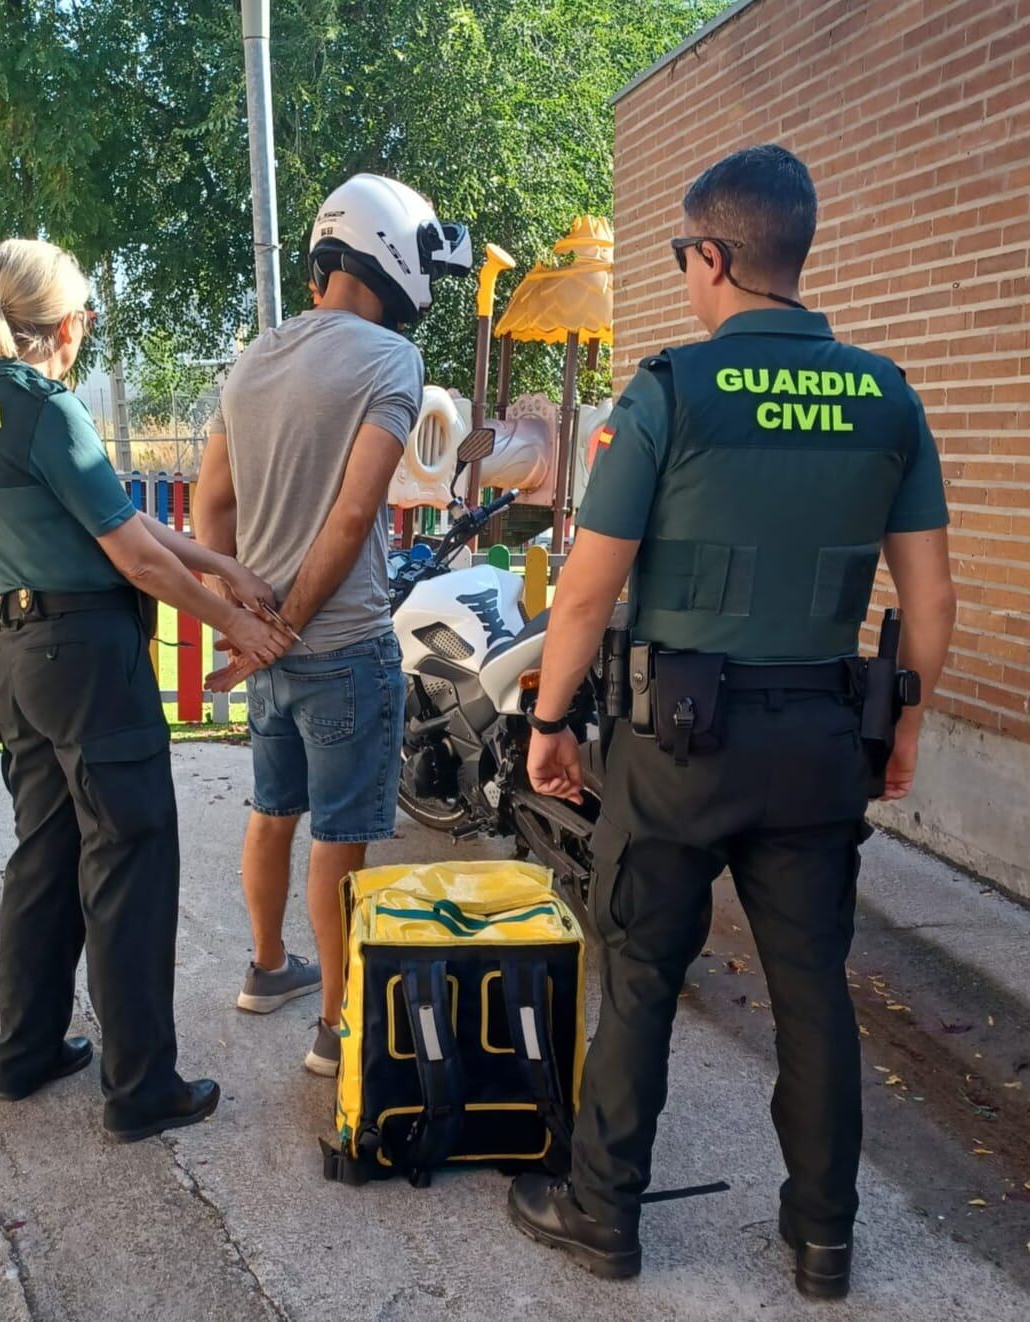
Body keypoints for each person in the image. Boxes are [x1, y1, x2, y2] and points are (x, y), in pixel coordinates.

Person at [506, 145, 956, 1297]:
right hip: (819, 740)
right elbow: (933, 597)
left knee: (643, 973)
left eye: (683, 258)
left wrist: (548, 720)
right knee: (813, 987)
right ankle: (823, 1241)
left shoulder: (666, 393)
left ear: (713, 257)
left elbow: (590, 588)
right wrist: (903, 725)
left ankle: (604, 1214)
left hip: (677, 741)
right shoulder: (887, 395)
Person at [0, 238, 292, 1142]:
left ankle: (23, 1054)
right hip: (88, 664)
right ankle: (142, 1090)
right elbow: (131, 555)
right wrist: (238, 623)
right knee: (130, 862)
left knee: (45, 858)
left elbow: (114, 511)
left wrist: (218, 562)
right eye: (88, 314)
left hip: (19, 662)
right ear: (66, 324)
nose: (89, 328)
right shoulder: (46, 409)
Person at [194, 174, 471, 1075]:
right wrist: (285, 625)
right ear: (393, 258)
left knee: (272, 814)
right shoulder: (390, 361)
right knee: (338, 840)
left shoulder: (252, 358)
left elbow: (213, 502)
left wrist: (246, 619)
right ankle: (335, 1027)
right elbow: (355, 518)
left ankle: (267, 968)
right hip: (342, 646)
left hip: (264, 655)